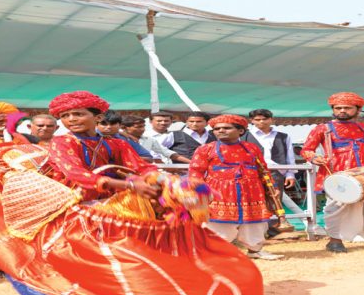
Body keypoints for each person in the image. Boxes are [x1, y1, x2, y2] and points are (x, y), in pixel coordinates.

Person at [0, 91, 266, 295]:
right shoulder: (61, 143)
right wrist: (131, 185)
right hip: (79, 209)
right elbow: (78, 175)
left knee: (169, 246)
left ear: (97, 116)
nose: (71, 120)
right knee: (110, 261)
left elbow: (144, 168)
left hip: (118, 206)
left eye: (78, 114)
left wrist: (170, 183)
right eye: (65, 116)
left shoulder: (117, 143)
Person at [189, 114, 283, 260]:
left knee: (255, 223)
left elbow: (262, 169)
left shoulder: (252, 148)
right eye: (217, 129)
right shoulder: (205, 149)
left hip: (252, 192)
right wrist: (199, 192)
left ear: (240, 131)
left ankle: (255, 250)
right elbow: (195, 171)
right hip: (219, 194)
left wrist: (272, 187)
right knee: (217, 224)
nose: (221, 131)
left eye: (226, 128)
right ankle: (215, 252)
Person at [301, 92, 364, 253]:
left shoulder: (363, 128)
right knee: (335, 208)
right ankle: (334, 241)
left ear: (358, 110)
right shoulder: (323, 129)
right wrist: (314, 158)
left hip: (362, 174)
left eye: (347, 108)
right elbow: (307, 150)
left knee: (361, 208)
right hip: (335, 175)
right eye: (338, 108)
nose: (342, 111)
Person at [243, 109, 297, 238]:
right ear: (252, 121)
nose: (261, 122)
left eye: (264, 119)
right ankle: (254, 233)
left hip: (276, 172)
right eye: (257, 119)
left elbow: (290, 156)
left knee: (275, 199)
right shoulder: (243, 136)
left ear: (271, 120)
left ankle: (272, 230)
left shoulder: (283, 136)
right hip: (251, 172)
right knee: (253, 200)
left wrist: (290, 174)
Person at [120, 115, 187, 163]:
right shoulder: (118, 139)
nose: (142, 129)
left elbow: (168, 153)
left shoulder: (149, 140)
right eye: (138, 127)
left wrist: (190, 162)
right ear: (125, 127)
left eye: (143, 126)